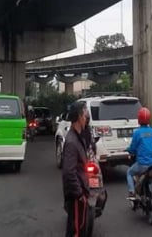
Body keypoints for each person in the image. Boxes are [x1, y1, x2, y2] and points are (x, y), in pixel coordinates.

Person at [62, 101, 90, 237]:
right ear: (79, 117)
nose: (86, 118)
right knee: (76, 232)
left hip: (79, 196)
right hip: (76, 198)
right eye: (85, 115)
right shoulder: (72, 142)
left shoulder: (79, 137)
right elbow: (69, 172)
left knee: (78, 229)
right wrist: (79, 195)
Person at [126, 107, 152, 199]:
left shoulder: (137, 133)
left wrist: (128, 150)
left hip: (141, 165)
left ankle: (132, 191)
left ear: (139, 119)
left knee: (129, 172)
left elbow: (132, 148)